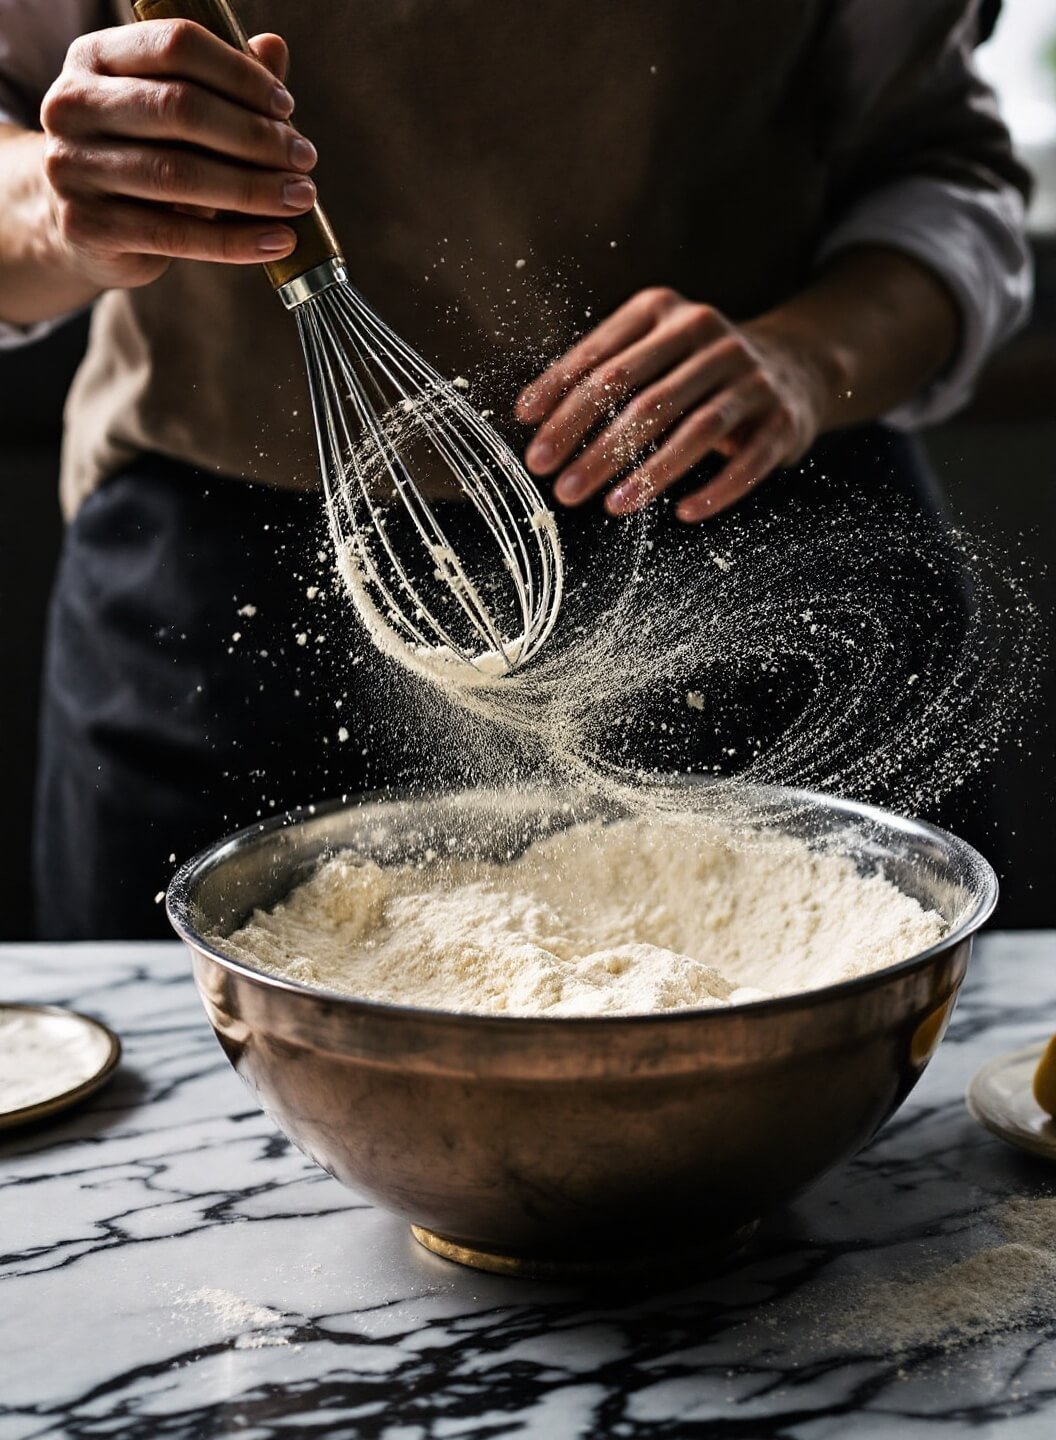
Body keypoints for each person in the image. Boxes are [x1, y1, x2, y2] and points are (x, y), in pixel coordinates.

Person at [0, 1, 1031, 939]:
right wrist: (62, 205)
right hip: (223, 589)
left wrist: (810, 357)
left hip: (743, 543)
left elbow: (944, 168)